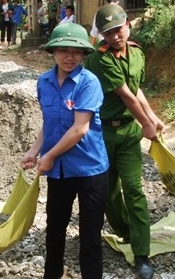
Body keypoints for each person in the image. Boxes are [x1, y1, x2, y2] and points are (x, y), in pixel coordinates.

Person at [21, 23, 109, 279]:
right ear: (53, 52)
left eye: (76, 52)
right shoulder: (44, 82)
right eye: (63, 51)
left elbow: (79, 129)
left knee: (90, 235)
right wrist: (34, 150)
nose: (69, 57)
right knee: (55, 230)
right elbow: (50, 124)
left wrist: (48, 156)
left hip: (89, 169)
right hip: (59, 172)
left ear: (83, 55)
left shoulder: (88, 83)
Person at [83, 4, 164, 279]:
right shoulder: (98, 58)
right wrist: (147, 124)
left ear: (127, 25)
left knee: (134, 189)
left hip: (128, 134)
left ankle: (141, 253)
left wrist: (151, 117)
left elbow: (136, 89)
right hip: (102, 134)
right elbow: (125, 94)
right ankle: (125, 231)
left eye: (118, 30)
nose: (115, 36)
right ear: (102, 35)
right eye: (108, 33)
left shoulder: (137, 52)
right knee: (106, 192)